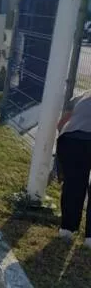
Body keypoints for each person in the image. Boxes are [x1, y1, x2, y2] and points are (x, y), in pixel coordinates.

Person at [56, 91, 91, 247]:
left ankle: (67, 229)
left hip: (70, 140)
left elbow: (60, 124)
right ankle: (90, 238)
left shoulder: (82, 96)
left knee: (73, 185)